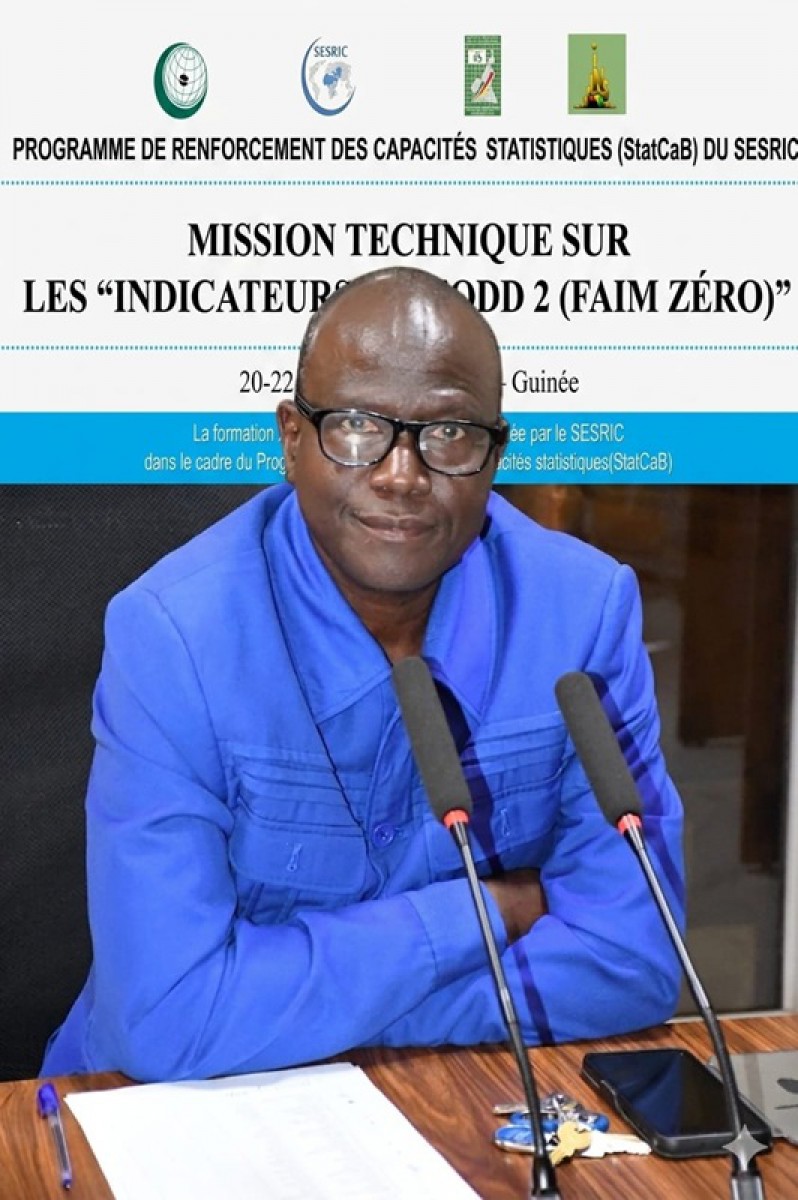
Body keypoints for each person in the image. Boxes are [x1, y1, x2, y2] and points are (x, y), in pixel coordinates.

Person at [42, 267, 684, 1082]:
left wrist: (305, 1012)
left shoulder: (584, 613)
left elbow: (634, 959)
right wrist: (485, 911)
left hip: (460, 1096)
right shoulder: (175, 635)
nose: (401, 475)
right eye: (354, 425)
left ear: (495, 455)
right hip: (163, 1110)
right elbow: (168, 1020)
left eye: (449, 434)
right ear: (291, 438)